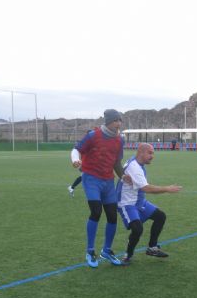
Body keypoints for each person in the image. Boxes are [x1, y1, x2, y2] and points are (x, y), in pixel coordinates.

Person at [71, 109, 126, 268]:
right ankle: (90, 251)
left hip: (108, 181)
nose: (119, 124)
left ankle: (107, 250)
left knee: (112, 216)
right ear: (108, 121)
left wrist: (123, 176)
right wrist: (75, 160)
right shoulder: (93, 136)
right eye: (116, 120)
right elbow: (77, 149)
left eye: (120, 120)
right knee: (96, 211)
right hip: (91, 178)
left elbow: (116, 162)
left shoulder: (119, 140)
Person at [117, 143, 182, 265]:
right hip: (127, 203)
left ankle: (152, 248)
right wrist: (167, 188)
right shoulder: (134, 167)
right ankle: (128, 254)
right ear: (141, 152)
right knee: (137, 229)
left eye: (153, 153)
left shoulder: (136, 162)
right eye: (150, 153)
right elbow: (147, 188)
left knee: (160, 216)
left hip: (139, 201)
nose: (152, 156)